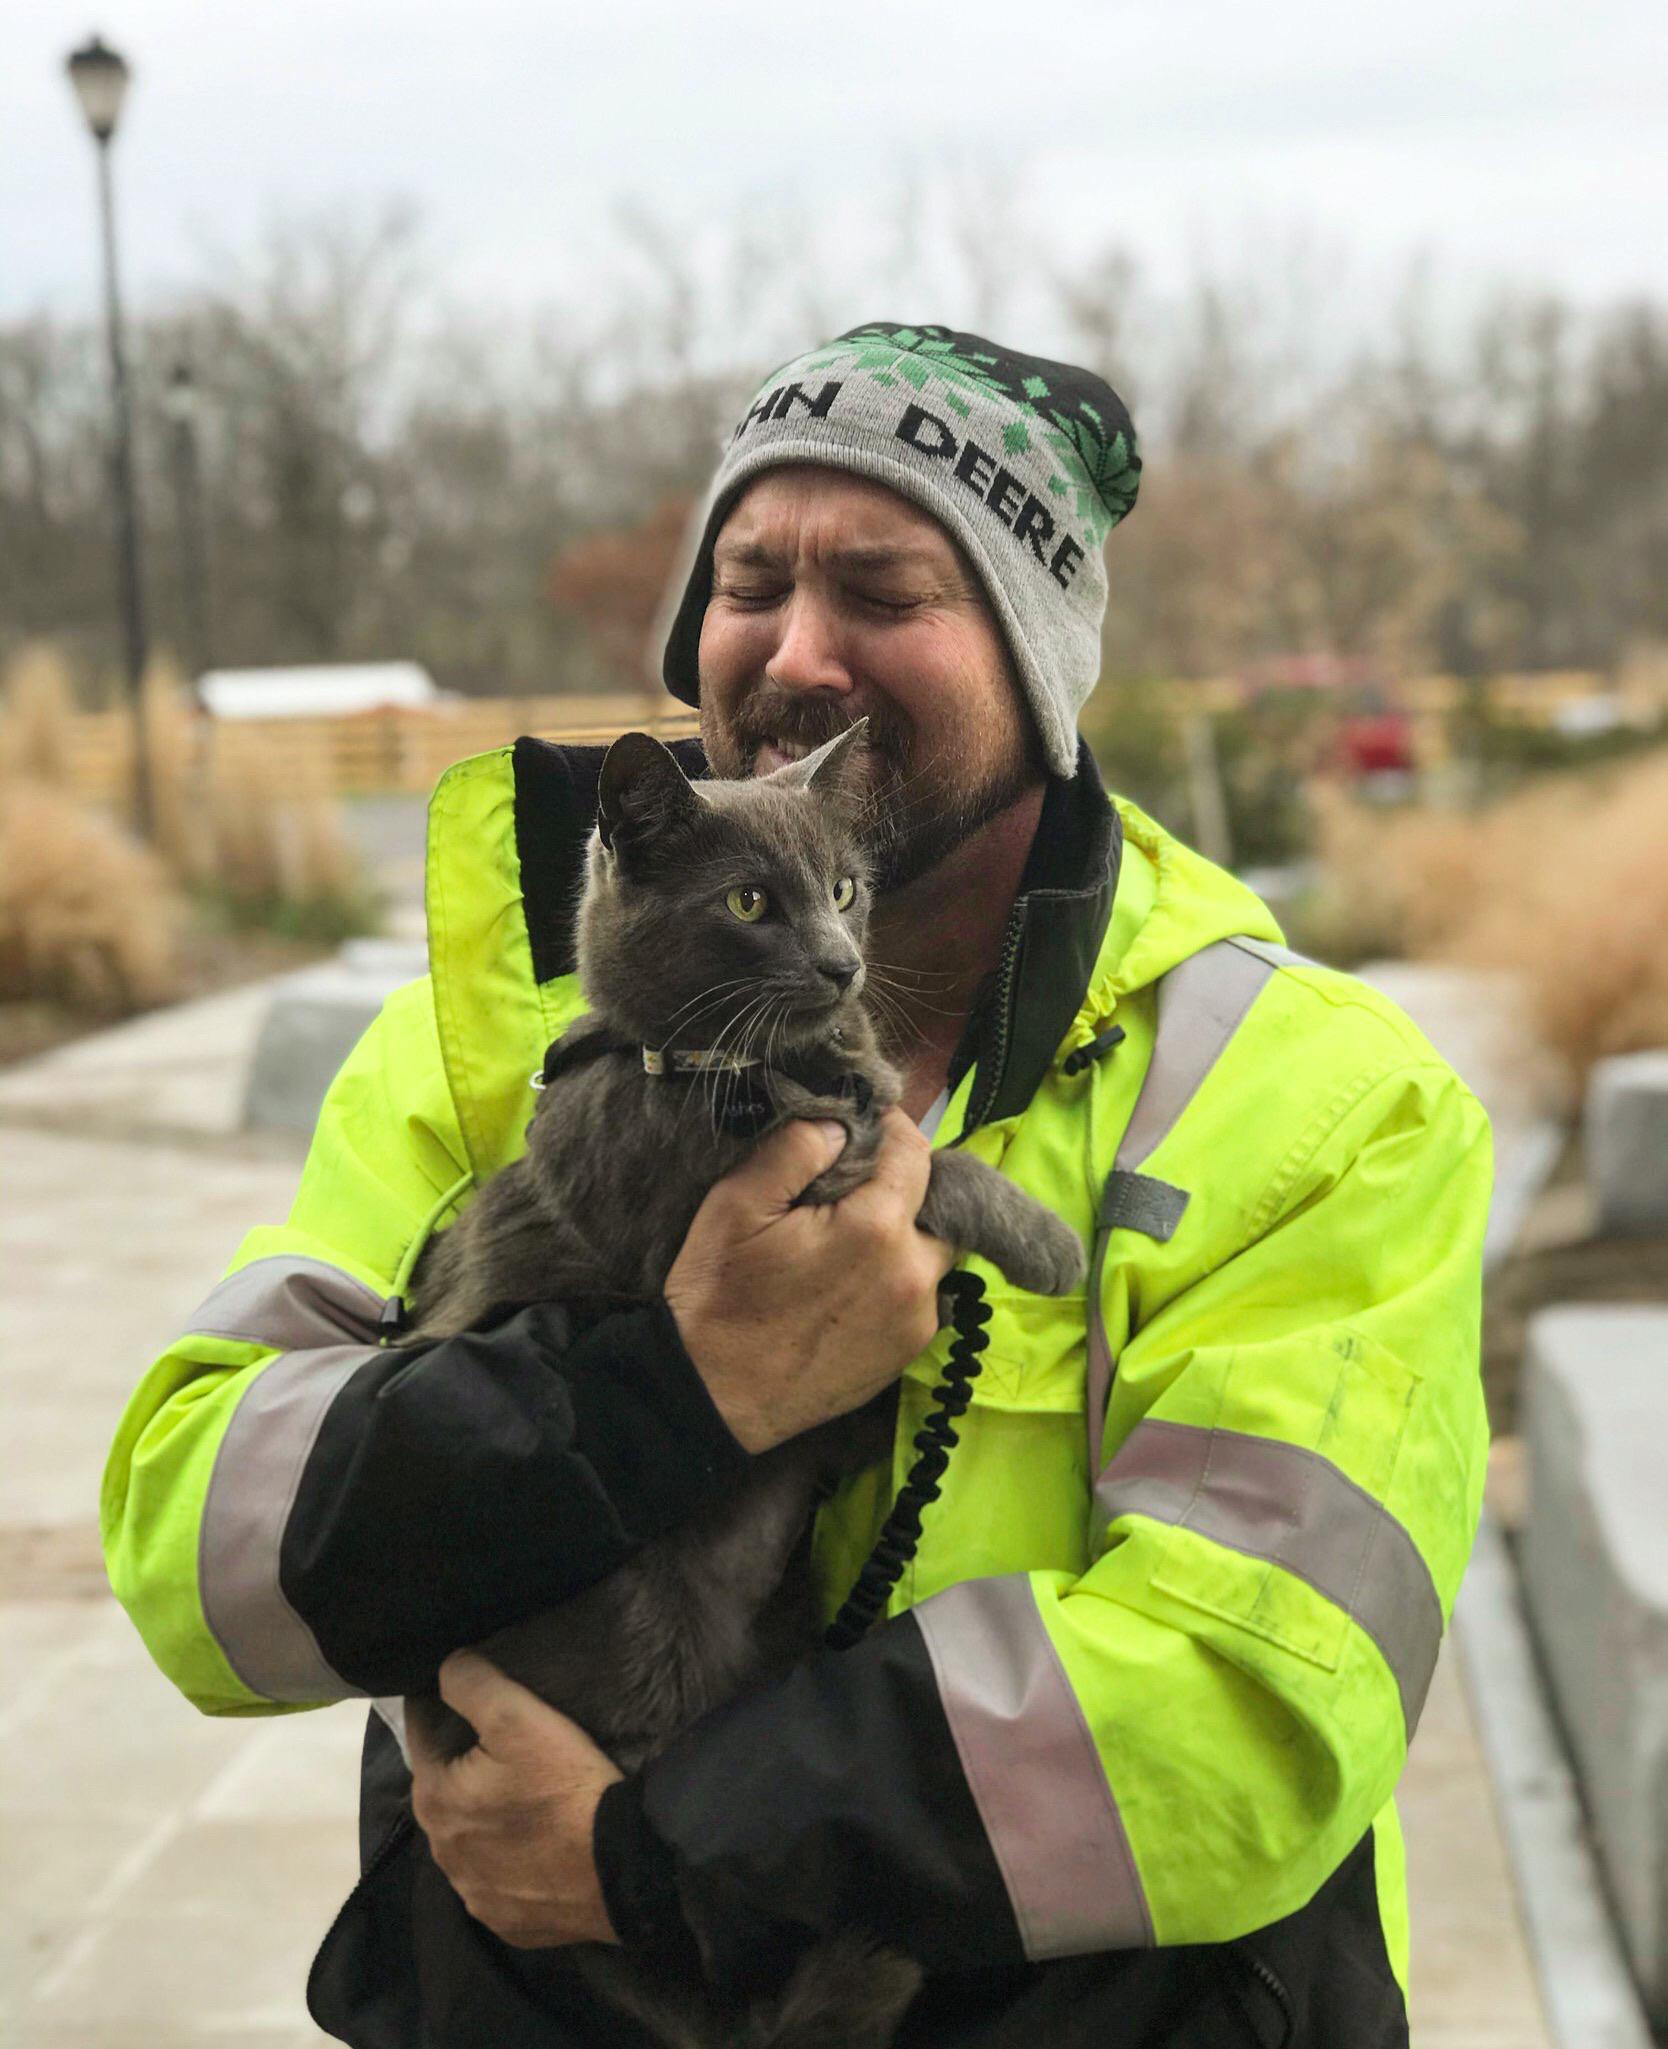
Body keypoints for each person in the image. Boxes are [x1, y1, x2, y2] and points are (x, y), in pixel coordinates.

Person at [102, 321, 1491, 2047]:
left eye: (889, 586)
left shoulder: (1320, 1099)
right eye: (750, 579)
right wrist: (650, 1398)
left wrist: (661, 1851)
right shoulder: (488, 1040)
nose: (799, 648)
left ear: (1039, 660)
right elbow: (199, 1546)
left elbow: (1269, 1695)